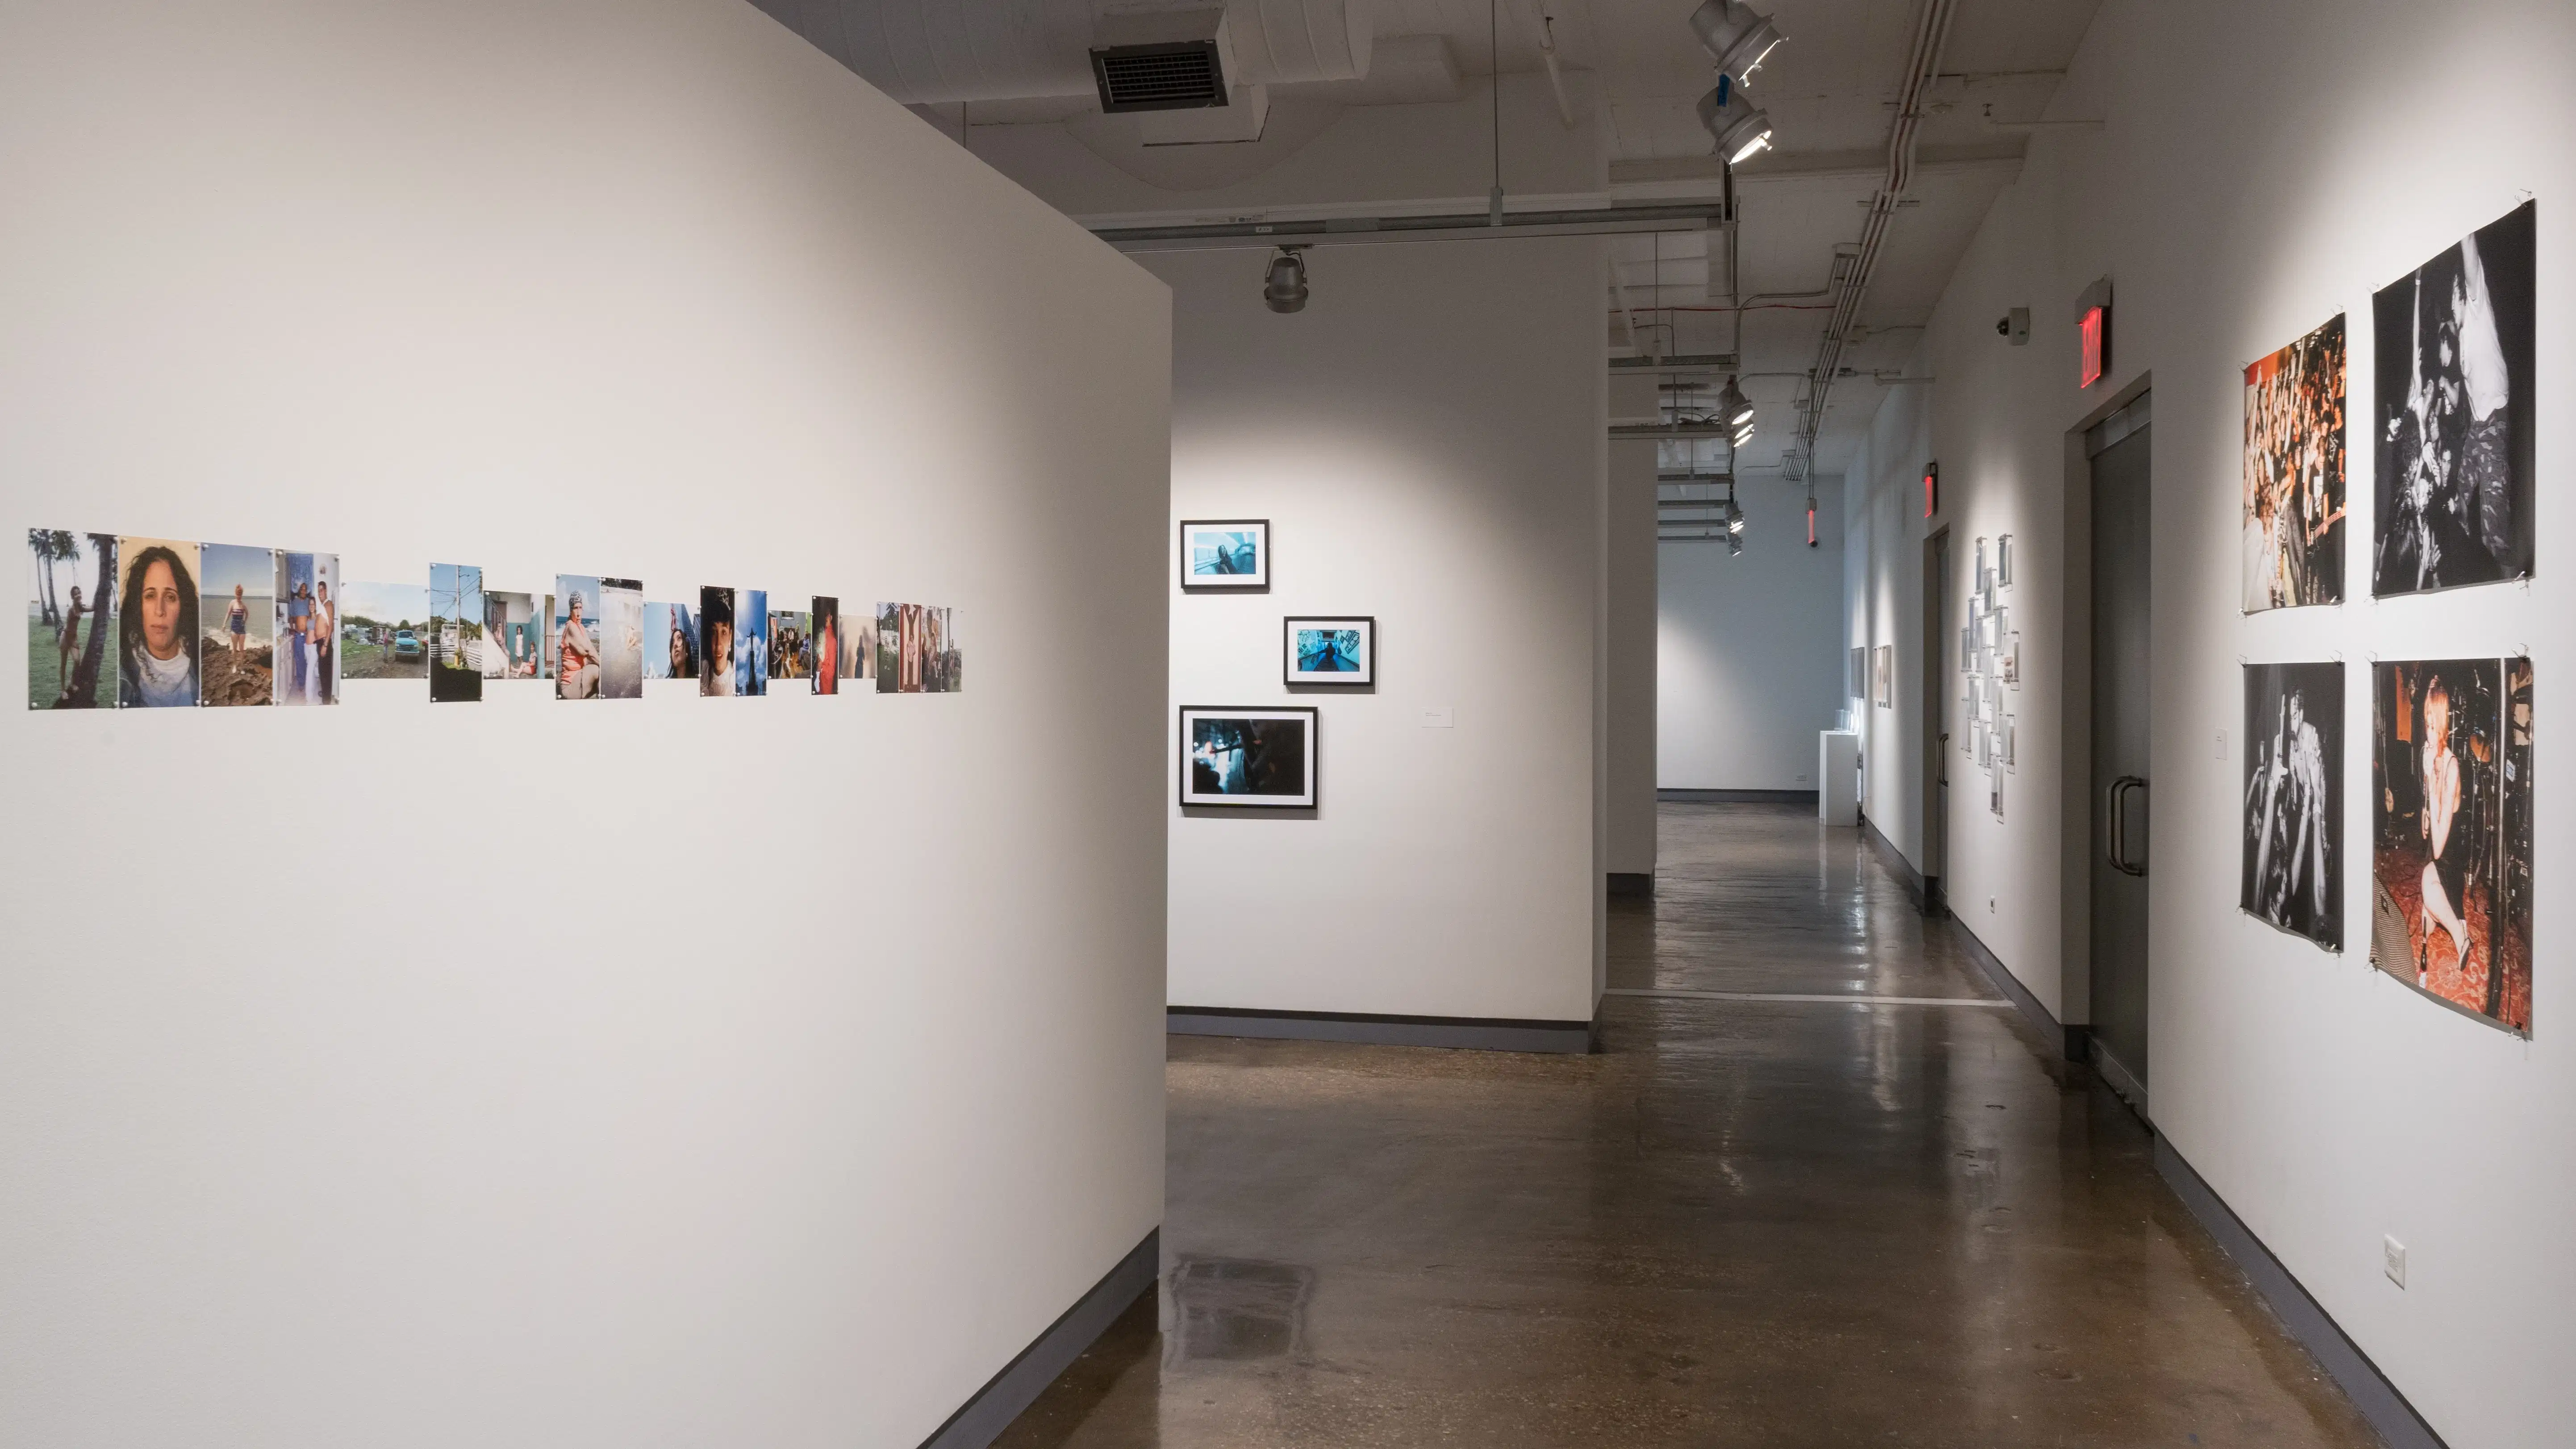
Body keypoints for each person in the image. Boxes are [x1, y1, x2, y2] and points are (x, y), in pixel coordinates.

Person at [2417, 675, 2474, 982]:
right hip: (2438, 858)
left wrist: (2433, 778)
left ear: (2443, 725)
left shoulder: (2450, 767)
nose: (2427, 733)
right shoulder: (2432, 759)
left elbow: (2438, 848)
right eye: (2425, 723)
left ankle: (2460, 935)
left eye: (2432, 724)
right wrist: (2427, 781)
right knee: (2424, 923)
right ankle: (2456, 918)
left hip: (2450, 864)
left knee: (2428, 885)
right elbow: (2426, 830)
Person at [118, 544, 200, 707]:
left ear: (183, 605)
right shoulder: (121, 673)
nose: (160, 610)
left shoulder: (202, 665)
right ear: (138, 604)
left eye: (170, 597)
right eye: (150, 596)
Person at [558, 591, 600, 700]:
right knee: (597, 670)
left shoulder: (580, 627)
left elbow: (591, 648)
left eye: (580, 608)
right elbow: (587, 651)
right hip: (570, 685)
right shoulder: (571, 627)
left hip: (578, 677)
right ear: (571, 610)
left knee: (598, 669)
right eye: (576, 608)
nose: (578, 613)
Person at [56, 583, 85, 700]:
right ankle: (63, 690)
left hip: (73, 638)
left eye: (79, 592)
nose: (78, 595)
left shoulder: (80, 607)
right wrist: (72, 642)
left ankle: (72, 684)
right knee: (64, 664)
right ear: (73, 597)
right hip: (65, 638)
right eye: (76, 594)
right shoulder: (72, 609)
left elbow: (92, 608)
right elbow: (69, 628)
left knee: (77, 661)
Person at [310, 581, 334, 702]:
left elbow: (331, 626)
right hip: (321, 642)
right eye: (318, 590)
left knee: (326, 675)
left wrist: (325, 645)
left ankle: (327, 702)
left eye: (322, 590)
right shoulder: (323, 605)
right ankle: (325, 695)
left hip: (325, 643)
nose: (320, 593)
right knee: (322, 673)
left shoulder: (329, 604)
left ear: (326, 591)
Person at [225, 584, 249, 656]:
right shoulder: (232, 603)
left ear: (242, 595)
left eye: (240, 595)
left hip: (242, 628)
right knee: (234, 649)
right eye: (238, 595)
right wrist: (224, 624)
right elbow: (228, 614)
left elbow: (247, 614)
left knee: (242, 649)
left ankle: (241, 667)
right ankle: (235, 666)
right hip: (234, 627)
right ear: (235, 594)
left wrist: (245, 621)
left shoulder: (243, 605)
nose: (239, 597)